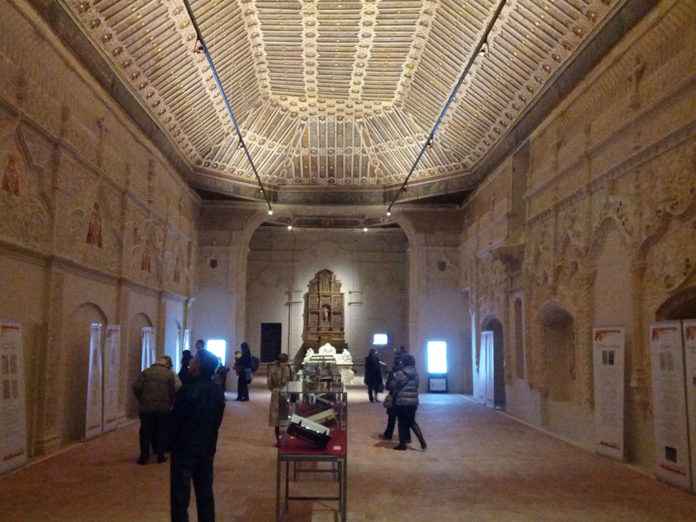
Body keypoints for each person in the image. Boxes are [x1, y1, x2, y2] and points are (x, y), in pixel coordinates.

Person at [169, 348, 225, 522]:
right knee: (205, 492)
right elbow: (217, 420)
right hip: (206, 446)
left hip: (184, 448)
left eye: (194, 359)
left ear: (198, 366)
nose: (190, 362)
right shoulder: (217, 391)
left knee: (180, 497)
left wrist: (170, 443)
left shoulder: (187, 391)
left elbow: (176, 420)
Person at [133, 356, 176, 465]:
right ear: (167, 364)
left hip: (146, 407)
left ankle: (144, 456)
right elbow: (175, 389)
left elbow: (136, 387)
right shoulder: (169, 374)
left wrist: (141, 399)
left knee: (145, 432)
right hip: (163, 407)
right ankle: (160, 455)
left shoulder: (146, 372)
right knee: (162, 431)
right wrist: (171, 402)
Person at [388, 354, 427, 451]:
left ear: (404, 362)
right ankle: (422, 441)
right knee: (412, 422)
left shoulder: (400, 373)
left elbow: (392, 386)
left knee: (401, 423)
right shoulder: (416, 373)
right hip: (413, 402)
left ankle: (402, 444)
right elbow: (416, 386)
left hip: (402, 401)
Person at [267, 353, 293, 444]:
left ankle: (285, 439)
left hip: (286, 394)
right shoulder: (273, 369)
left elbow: (291, 381)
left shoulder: (288, 368)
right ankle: (278, 440)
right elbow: (269, 383)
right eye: (284, 362)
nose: (285, 364)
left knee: (286, 417)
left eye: (286, 362)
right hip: (276, 394)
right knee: (276, 419)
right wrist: (275, 390)